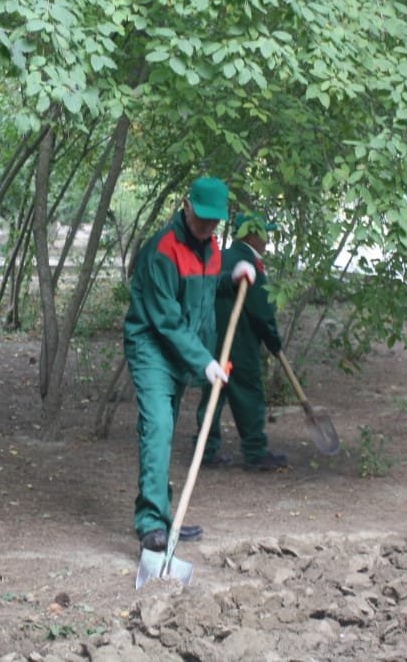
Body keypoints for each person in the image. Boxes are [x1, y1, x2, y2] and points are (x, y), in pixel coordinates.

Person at [123, 176, 255, 552]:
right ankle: (151, 523)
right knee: (159, 426)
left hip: (182, 351)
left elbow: (206, 288)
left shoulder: (211, 248)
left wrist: (233, 278)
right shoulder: (162, 250)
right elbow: (166, 319)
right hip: (151, 346)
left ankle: (165, 518)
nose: (208, 227)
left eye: (215, 221)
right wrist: (205, 361)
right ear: (187, 206)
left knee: (162, 431)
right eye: (203, 219)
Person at [196, 212, 288, 472]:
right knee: (248, 392)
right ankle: (255, 451)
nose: (267, 240)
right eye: (263, 234)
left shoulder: (219, 256)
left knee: (213, 391)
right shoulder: (249, 264)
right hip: (239, 341)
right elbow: (261, 311)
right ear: (251, 235)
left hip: (211, 338)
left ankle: (205, 448)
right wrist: (273, 341)